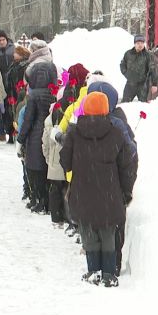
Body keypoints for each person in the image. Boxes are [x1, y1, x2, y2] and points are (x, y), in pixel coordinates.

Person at [59, 92, 137, 288]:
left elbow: (64, 162)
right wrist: (126, 192)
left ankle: (93, 270)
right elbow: (126, 165)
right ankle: (109, 273)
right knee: (108, 232)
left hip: (82, 191)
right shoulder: (116, 133)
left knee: (88, 231)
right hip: (109, 193)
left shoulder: (74, 133)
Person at [18, 54, 57, 214]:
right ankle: (46, 202)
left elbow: (28, 120)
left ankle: (39, 201)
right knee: (46, 170)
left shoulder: (33, 97)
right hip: (49, 134)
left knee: (36, 171)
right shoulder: (53, 93)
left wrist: (21, 138)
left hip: (35, 136)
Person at [0, 31, 15, 142]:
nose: (1, 42)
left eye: (3, 40)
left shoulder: (13, 49)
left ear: (7, 40)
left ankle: (12, 133)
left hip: (12, 83)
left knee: (11, 109)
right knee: (0, 110)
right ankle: (1, 133)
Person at [119, 35, 153, 103]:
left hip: (142, 85)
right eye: (138, 43)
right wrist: (126, 74)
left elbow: (152, 69)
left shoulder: (148, 55)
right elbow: (122, 65)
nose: (140, 45)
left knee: (144, 105)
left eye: (142, 43)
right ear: (134, 44)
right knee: (125, 104)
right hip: (130, 84)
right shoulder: (128, 54)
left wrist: (154, 83)